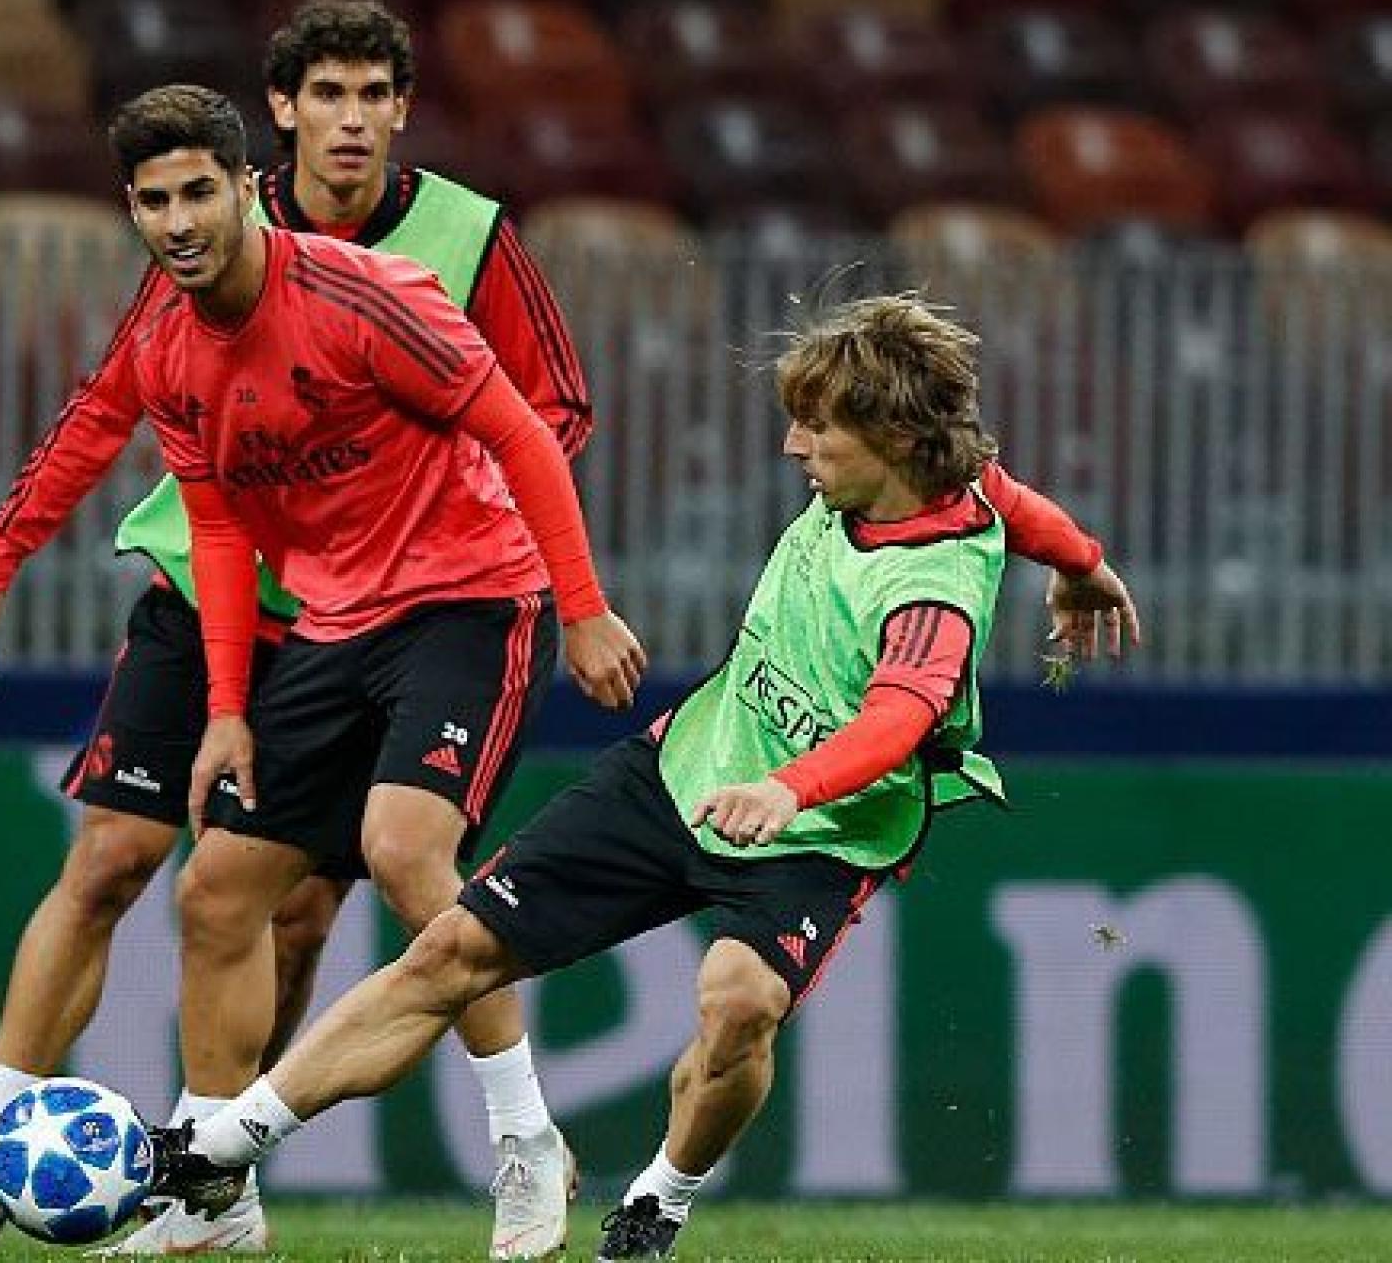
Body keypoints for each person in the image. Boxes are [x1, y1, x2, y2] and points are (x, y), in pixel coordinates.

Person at [140, 293, 1144, 1260]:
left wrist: (787, 790)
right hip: (687, 766)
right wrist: (1081, 561)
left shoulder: (929, 586)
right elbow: (1008, 500)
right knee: (453, 948)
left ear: (893, 438)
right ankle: (219, 1145)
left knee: (737, 999)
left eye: (817, 428)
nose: (794, 447)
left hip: (821, 828)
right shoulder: (932, 484)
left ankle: (657, 1199)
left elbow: (897, 715)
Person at [0, 66, 622, 1258]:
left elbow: (517, 430)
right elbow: (220, 527)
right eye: (150, 202)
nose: (176, 223)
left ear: (246, 188)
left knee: (401, 850)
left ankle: (527, 1141)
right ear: (129, 211)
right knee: (215, 892)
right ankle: (215, 1199)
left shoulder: (368, 294)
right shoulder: (172, 352)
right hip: (330, 628)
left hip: (470, 600)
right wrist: (228, 707)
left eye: (196, 193)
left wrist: (581, 608)